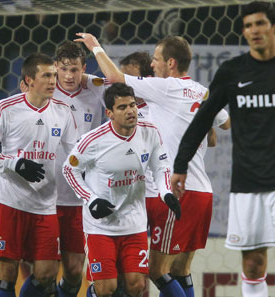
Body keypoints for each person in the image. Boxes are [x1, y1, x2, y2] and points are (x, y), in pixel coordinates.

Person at [172, 2, 275, 297]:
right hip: (247, 181)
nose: (254, 30)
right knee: (254, 264)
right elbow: (204, 117)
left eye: (260, 24)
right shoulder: (233, 71)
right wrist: (180, 164)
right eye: (248, 25)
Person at [75, 33, 230, 297]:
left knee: (156, 271)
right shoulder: (201, 91)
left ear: (170, 63)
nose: (153, 66)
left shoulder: (165, 87)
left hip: (176, 189)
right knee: (179, 270)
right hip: (201, 190)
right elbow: (223, 125)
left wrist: (94, 46)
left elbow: (113, 78)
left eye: (157, 60)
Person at [62, 83, 181, 297]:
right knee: (106, 289)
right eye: (123, 107)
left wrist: (165, 193)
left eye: (133, 105)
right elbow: (69, 169)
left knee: (136, 286)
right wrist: (91, 200)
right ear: (109, 113)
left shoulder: (150, 132)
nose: (130, 111)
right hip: (101, 227)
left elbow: (160, 167)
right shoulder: (93, 140)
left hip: (134, 222)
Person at [0, 53, 78, 297]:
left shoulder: (63, 111)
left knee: (47, 273)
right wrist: (16, 164)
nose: (53, 81)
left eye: (54, 76)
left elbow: (74, 155)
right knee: (8, 270)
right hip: (10, 200)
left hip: (45, 204)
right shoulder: (6, 108)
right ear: (29, 80)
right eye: (46, 75)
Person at [51, 41, 107, 297]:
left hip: (80, 197)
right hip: (46, 197)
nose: (70, 76)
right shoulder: (46, 89)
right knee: (44, 270)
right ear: (55, 68)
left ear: (83, 68)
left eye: (75, 69)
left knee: (74, 271)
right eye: (64, 69)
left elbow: (123, 89)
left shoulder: (96, 89)